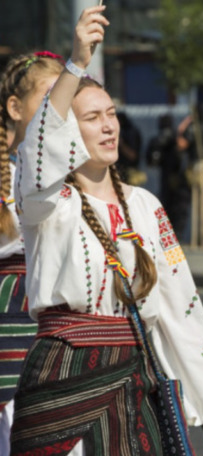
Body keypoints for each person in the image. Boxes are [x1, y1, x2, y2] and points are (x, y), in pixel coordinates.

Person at [9, 7, 203, 454]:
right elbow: (37, 150)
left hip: (134, 376)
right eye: (92, 117)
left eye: (112, 113)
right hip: (64, 373)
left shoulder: (145, 205)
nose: (108, 125)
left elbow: (182, 303)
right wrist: (77, 62)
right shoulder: (48, 201)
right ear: (66, 131)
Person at [0, 50, 64, 455]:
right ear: (14, 107)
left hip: (61, 315)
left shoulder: (79, 175)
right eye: (50, 97)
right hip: (12, 317)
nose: (61, 110)